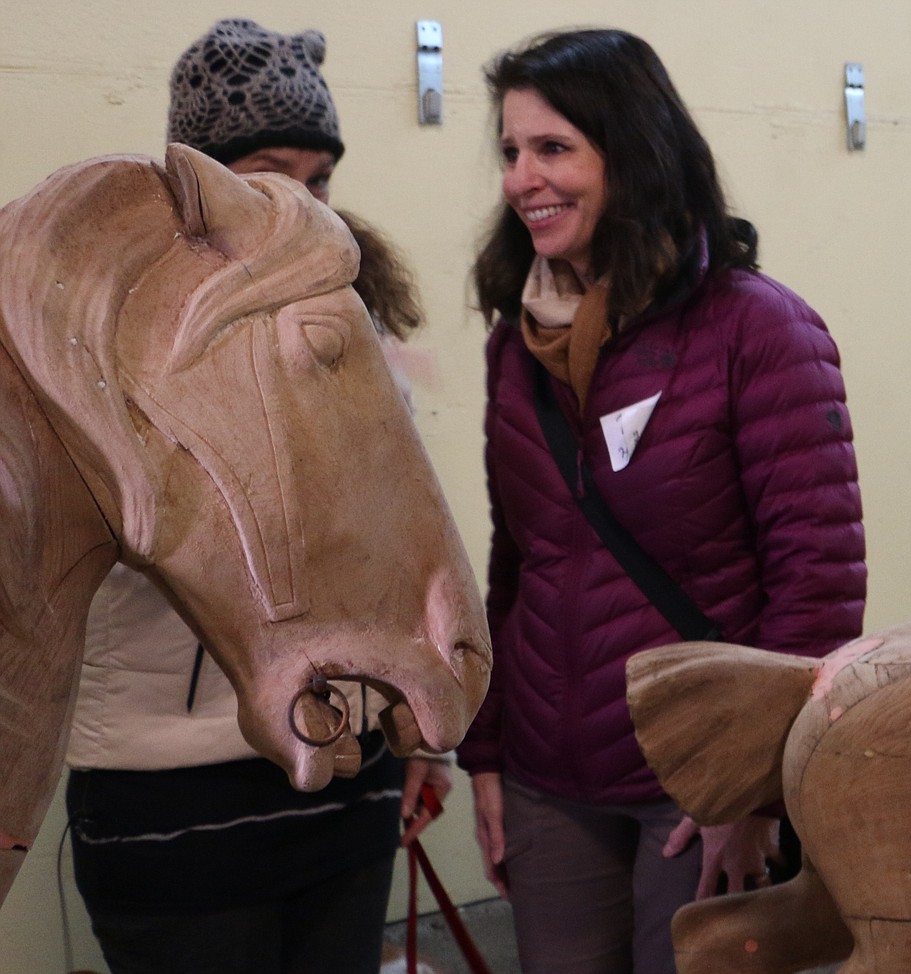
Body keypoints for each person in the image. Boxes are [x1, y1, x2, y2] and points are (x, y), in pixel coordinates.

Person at [454, 28, 867, 974]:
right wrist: (486, 757)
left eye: (554, 149)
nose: (523, 179)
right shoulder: (514, 347)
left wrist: (753, 788)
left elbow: (818, 584)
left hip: (698, 783)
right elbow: (516, 562)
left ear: (632, 155)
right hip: (549, 778)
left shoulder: (758, 330)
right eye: (511, 152)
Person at [65, 18, 444, 974]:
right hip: (171, 793)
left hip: (345, 772)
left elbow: (402, 540)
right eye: (272, 173)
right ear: (201, 183)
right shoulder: (98, 328)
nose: (305, 204)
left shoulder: (348, 321)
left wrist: (426, 729)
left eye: (320, 180)